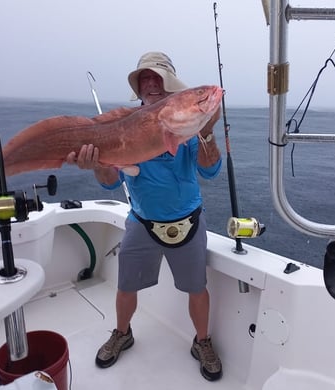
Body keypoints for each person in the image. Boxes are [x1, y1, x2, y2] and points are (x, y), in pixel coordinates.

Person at [66, 52, 223, 381]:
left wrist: (205, 131)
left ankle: (202, 341)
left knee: (198, 288)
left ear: (169, 85)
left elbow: (210, 171)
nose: (150, 83)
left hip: (188, 222)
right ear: (138, 89)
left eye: (157, 77)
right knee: (126, 287)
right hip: (142, 223)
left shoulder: (187, 122)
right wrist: (97, 163)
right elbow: (111, 183)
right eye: (144, 79)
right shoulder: (126, 126)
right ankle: (122, 333)